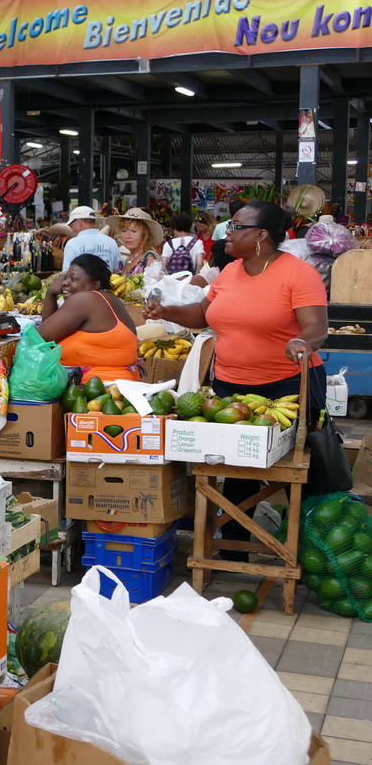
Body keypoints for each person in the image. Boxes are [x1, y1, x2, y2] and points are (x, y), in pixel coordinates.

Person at [146, 200, 328, 560]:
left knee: (296, 472)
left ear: (260, 235)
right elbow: (202, 313)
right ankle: (234, 546)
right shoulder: (230, 271)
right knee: (237, 468)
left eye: (236, 227)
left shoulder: (298, 273)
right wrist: (167, 311)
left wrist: (301, 342)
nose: (226, 233)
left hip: (286, 388)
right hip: (230, 387)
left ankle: (313, 547)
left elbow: (316, 327)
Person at [39, 254, 140, 383]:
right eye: (65, 278)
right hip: (115, 384)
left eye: (73, 279)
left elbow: (41, 339)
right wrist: (52, 295)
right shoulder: (109, 299)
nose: (64, 283)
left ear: (95, 285)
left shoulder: (85, 300)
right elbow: (50, 335)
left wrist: (49, 295)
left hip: (99, 389)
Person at [61, 205, 121, 272]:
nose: (71, 228)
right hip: (109, 282)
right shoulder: (111, 242)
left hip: (81, 282)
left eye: (71, 224)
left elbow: (66, 273)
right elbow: (119, 269)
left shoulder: (72, 244)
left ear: (79, 223)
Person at [117, 207, 163, 276]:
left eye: (133, 231)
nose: (127, 236)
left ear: (144, 235)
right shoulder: (128, 259)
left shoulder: (149, 259)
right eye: (124, 231)